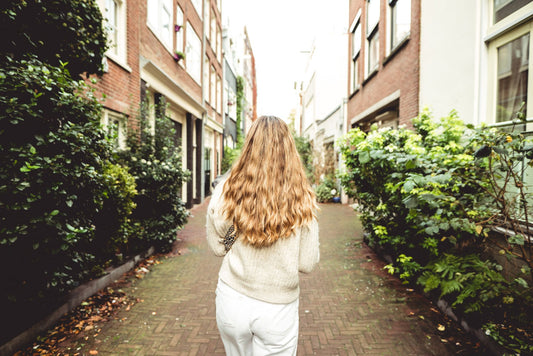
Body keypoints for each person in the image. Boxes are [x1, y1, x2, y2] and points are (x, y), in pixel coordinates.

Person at [206, 115, 320, 356]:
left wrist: (239, 231)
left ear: (249, 146)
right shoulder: (303, 198)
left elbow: (219, 248)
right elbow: (307, 263)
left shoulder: (227, 191)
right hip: (278, 310)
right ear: (289, 150)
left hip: (232, 300)